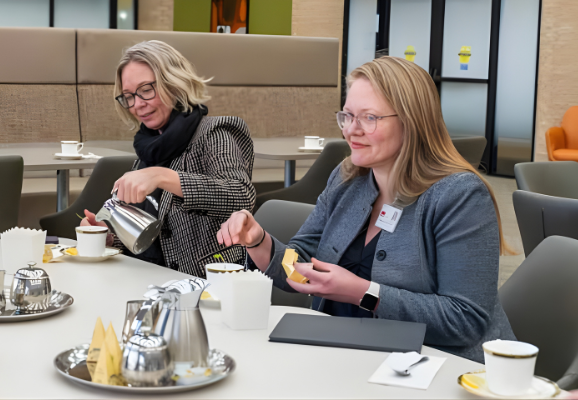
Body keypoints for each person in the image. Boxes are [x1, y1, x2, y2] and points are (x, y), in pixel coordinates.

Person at [217, 56, 515, 362]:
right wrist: (259, 241)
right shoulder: (347, 179)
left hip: (436, 369)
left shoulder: (459, 196)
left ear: (411, 121)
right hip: (348, 356)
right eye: (347, 116)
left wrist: (364, 292)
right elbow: (302, 264)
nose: (351, 130)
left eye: (369, 118)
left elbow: (465, 320)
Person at [80, 40, 255, 278]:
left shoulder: (214, 132)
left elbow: (239, 195)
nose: (138, 104)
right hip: (146, 280)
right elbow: (145, 238)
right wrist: (109, 237)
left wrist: (162, 176)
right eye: (128, 96)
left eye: (146, 90)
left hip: (204, 285)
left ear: (173, 83)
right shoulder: (149, 148)